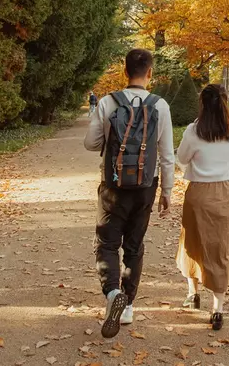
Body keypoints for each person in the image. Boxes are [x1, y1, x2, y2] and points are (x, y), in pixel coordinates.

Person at [84, 49, 174, 338]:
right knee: (134, 246)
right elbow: (167, 154)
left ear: (125, 72)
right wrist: (167, 192)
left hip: (113, 184)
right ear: (150, 72)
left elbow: (90, 143)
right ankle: (128, 305)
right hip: (146, 186)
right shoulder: (160, 106)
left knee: (107, 243)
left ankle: (112, 293)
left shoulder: (109, 102)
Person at [174, 84, 229, 331]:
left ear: (202, 103)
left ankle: (193, 294)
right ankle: (218, 307)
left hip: (199, 192)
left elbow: (181, 158)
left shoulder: (194, 131)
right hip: (224, 191)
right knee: (221, 247)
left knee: (192, 242)